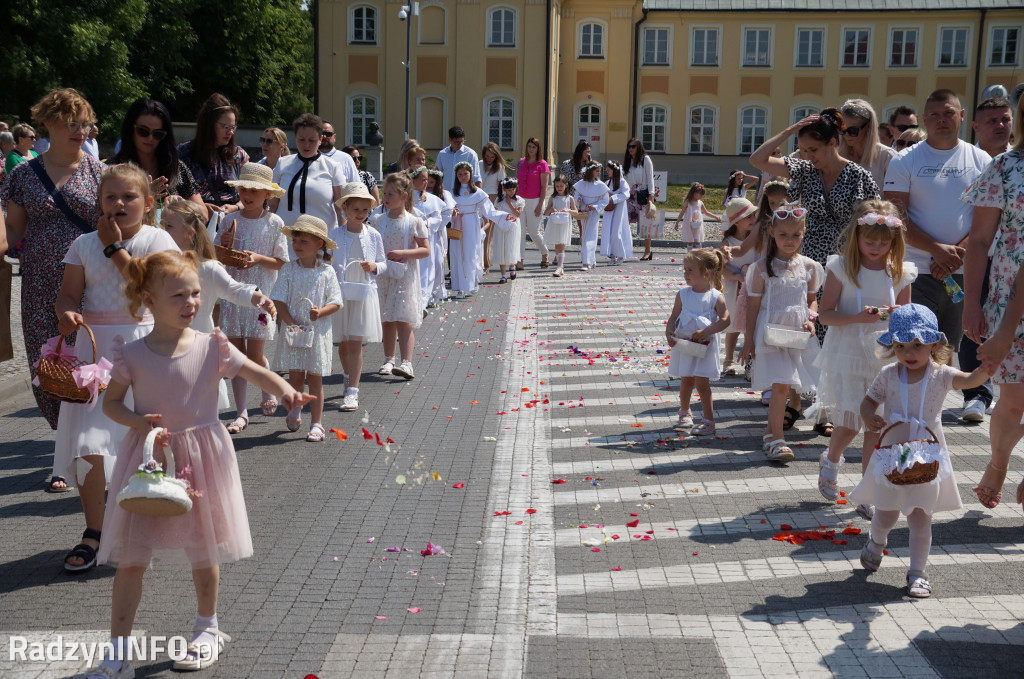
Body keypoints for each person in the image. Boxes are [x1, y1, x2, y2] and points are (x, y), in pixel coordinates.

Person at [84, 251, 313, 679]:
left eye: (195, 293)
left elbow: (256, 372)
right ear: (148, 300)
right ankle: (117, 650)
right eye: (178, 295)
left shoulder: (213, 346)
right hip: (151, 459)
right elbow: (112, 405)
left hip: (203, 457)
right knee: (132, 558)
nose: (191, 302)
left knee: (203, 548)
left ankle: (207, 628)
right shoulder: (131, 353)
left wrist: (286, 392)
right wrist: (139, 421)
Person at [54, 163, 179, 572]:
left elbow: (152, 290)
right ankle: (95, 530)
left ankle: (143, 524)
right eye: (111, 197)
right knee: (90, 445)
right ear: (99, 202)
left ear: (148, 203)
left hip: (145, 349)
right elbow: (68, 295)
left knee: (144, 441)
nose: (120, 204)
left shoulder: (158, 239)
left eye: (129, 197)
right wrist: (68, 313)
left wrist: (114, 247)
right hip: (97, 357)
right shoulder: (83, 243)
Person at [849, 304, 993, 599]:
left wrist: (983, 371)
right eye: (901, 346)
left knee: (920, 517)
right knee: (886, 513)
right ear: (893, 347)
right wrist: (868, 416)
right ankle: (876, 542)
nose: (909, 353)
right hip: (893, 453)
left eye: (917, 345)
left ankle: (917, 573)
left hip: (926, 456)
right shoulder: (889, 374)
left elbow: (967, 381)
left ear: (934, 344)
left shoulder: (940, 374)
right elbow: (868, 402)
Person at [1, 88, 105, 455]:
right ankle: (65, 439)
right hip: (38, 284)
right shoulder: (23, 175)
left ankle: (75, 449)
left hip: (89, 283)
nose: (80, 131)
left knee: (85, 361)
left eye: (84, 124)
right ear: (47, 123)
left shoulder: (100, 174)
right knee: (45, 363)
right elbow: (12, 229)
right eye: (69, 124)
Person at [884, 89, 992, 424]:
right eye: (934, 115)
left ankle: (975, 398)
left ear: (961, 117)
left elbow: (987, 216)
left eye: (949, 114)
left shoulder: (982, 161)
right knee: (919, 342)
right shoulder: (906, 159)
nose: (942, 121)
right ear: (925, 119)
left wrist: (956, 253)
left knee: (967, 337)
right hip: (918, 269)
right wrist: (936, 250)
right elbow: (895, 214)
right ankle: (917, 406)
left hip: (966, 269)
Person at [815, 200, 916, 519]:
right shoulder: (841, 269)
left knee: (877, 424)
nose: (876, 247)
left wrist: (900, 318)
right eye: (869, 241)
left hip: (884, 355)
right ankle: (831, 460)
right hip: (849, 352)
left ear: (894, 241)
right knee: (849, 421)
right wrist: (857, 317)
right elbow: (825, 315)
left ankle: (867, 490)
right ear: (856, 237)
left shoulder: (899, 272)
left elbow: (906, 317)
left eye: (883, 242)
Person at [961, 94, 1024, 508]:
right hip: (1008, 298)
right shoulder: (1005, 168)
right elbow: (980, 241)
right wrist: (971, 303)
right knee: (1015, 397)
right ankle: (999, 465)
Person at [159, 200, 274, 410]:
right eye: (161, 224)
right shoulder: (159, 264)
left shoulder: (208, 267)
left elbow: (234, 289)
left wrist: (257, 295)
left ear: (189, 233)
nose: (162, 230)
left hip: (199, 338)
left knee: (200, 400)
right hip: (165, 338)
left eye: (168, 226)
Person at [738, 203, 822, 463]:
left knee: (790, 383)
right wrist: (748, 340)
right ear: (772, 232)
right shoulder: (761, 268)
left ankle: (769, 432)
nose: (790, 240)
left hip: (797, 333)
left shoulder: (809, 267)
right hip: (770, 332)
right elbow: (752, 306)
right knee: (781, 384)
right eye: (784, 234)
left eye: (795, 235)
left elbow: (812, 300)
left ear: (804, 233)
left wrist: (811, 319)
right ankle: (776, 438)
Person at [217, 163, 289, 434]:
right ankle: (241, 412)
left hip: (260, 297)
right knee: (236, 356)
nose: (248, 194)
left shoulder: (275, 224)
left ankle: (267, 388)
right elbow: (218, 255)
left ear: (267, 195)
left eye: (255, 190)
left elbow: (281, 262)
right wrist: (224, 244)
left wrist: (258, 258)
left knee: (255, 355)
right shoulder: (228, 220)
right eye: (244, 188)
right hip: (234, 295)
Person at [271, 215, 342, 442]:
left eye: (304, 242)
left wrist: (320, 313)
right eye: (295, 241)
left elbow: (336, 301)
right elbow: (278, 299)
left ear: (319, 244)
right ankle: (296, 408)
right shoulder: (289, 269)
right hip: (294, 332)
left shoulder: (326, 272)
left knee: (315, 378)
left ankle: (317, 423)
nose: (298, 246)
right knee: (295, 375)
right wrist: (290, 323)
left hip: (318, 333)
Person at [330, 183, 385, 413]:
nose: (360, 214)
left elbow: (382, 262)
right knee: (342, 343)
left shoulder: (373, 235)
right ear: (345, 209)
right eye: (356, 209)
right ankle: (347, 374)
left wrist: (374, 266)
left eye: (365, 210)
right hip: (341, 292)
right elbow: (326, 259)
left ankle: (353, 391)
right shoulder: (335, 234)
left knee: (355, 343)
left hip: (362, 292)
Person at [372, 172, 430, 379]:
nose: (386, 198)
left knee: (403, 320)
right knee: (387, 319)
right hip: (384, 275)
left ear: (404, 196)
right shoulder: (378, 220)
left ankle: (407, 363)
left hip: (404, 276)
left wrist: (404, 253)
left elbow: (425, 250)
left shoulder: (414, 221)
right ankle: (388, 359)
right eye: (385, 193)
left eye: (391, 194)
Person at [666, 248, 730, 435]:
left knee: (702, 383)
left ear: (706, 273)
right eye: (685, 269)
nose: (685, 274)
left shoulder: (715, 296)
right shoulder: (683, 294)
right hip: (686, 343)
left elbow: (726, 320)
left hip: (705, 346)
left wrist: (707, 331)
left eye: (690, 270)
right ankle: (684, 412)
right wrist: (669, 331)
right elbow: (673, 316)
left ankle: (708, 420)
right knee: (686, 379)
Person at [112, 98, 205, 216]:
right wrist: (144, 197)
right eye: (143, 131)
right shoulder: (114, 170)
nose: (150, 138)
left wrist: (181, 206)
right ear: (130, 129)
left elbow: (204, 214)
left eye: (157, 134)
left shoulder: (176, 167)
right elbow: (107, 215)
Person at [272, 114, 346, 242]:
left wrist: (344, 238)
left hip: (321, 240)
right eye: (301, 139)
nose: (306, 145)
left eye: (311, 140)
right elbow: (272, 204)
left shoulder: (333, 167)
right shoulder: (282, 164)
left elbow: (340, 208)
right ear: (295, 138)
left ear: (320, 139)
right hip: (285, 240)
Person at [177, 93, 249, 215]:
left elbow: (252, 194)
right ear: (208, 125)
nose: (230, 132)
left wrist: (236, 207)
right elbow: (174, 195)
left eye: (233, 127)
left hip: (231, 224)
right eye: (225, 127)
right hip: (196, 223)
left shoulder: (239, 155)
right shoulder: (183, 154)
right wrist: (201, 208)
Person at [448, 162, 506, 298]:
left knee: (471, 254)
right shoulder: (452, 193)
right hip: (457, 224)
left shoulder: (478, 193)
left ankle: (473, 283)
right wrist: (452, 212)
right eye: (460, 174)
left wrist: (504, 216)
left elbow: (489, 211)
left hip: (472, 224)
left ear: (471, 175)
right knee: (457, 254)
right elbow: (446, 210)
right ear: (456, 176)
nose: (463, 176)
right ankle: (459, 288)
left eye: (465, 174)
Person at [719, 197, 759, 376]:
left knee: (753, 325)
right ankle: (728, 360)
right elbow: (723, 268)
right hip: (736, 288)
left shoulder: (757, 238)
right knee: (735, 324)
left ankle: (751, 363)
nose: (752, 219)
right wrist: (740, 276)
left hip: (756, 287)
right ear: (736, 221)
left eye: (753, 215)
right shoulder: (728, 242)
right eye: (748, 217)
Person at [408, 165, 447, 310]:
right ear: (413, 181)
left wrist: (425, 223)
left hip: (426, 237)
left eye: (427, 180)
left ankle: (424, 300)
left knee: (427, 269)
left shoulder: (431, 199)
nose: (426, 183)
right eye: (423, 180)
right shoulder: (406, 196)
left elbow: (437, 217)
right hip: (410, 238)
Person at [839, 99, 897, 189]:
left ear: (868, 126)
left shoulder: (887, 156)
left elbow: (895, 197)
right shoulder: (838, 155)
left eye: (853, 131)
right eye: (843, 130)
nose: (846, 135)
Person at [514, 137, 551, 269]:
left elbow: (544, 187)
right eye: (529, 146)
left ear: (538, 149)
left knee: (534, 231)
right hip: (520, 200)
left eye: (533, 147)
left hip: (535, 200)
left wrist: (541, 204)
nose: (531, 149)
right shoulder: (521, 162)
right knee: (520, 230)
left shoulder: (542, 164)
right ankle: (520, 260)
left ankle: (545, 253)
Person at [573, 162, 610, 272]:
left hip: (593, 213)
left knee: (590, 236)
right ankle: (591, 259)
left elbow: (605, 200)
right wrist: (578, 199)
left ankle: (586, 262)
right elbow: (577, 195)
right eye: (597, 170)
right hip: (583, 211)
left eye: (599, 170)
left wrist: (596, 206)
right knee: (585, 235)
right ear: (590, 171)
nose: (599, 173)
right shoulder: (582, 184)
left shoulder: (600, 185)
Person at [424, 168, 453, 305]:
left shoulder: (444, 194)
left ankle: (436, 293)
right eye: (427, 181)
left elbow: (447, 214)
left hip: (437, 233)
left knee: (438, 262)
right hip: (423, 233)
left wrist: (434, 226)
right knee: (426, 263)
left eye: (432, 182)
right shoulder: (420, 194)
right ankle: (426, 295)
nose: (429, 184)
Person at [624, 138, 656, 260]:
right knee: (626, 221)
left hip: (643, 193)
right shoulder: (628, 161)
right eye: (629, 146)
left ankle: (648, 251)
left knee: (646, 222)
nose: (631, 149)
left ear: (638, 147)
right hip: (630, 193)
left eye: (633, 146)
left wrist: (651, 195)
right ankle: (624, 249)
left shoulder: (645, 159)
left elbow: (650, 177)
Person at [478, 142, 506, 272]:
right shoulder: (479, 164)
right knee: (479, 230)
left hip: (493, 198)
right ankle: (481, 260)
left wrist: (499, 203)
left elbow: (502, 187)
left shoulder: (499, 167)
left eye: (492, 157)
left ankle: (486, 262)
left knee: (488, 232)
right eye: (487, 156)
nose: (489, 159)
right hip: (479, 198)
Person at [544, 174, 579, 278]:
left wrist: (568, 210)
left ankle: (560, 266)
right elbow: (546, 212)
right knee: (557, 244)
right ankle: (560, 265)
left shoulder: (569, 198)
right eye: (557, 186)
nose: (559, 188)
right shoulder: (553, 198)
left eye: (561, 186)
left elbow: (576, 212)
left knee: (561, 244)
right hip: (555, 222)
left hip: (564, 223)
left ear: (566, 185)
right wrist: (551, 210)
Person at [600, 161, 632, 265]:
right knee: (608, 232)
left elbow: (626, 194)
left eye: (609, 170)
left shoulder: (622, 182)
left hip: (619, 210)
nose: (607, 172)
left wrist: (613, 198)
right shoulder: (607, 183)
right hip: (609, 211)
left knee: (616, 232)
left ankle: (621, 255)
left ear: (615, 170)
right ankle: (612, 256)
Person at [492, 177, 524, 283]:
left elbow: (518, 214)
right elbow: (494, 213)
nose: (511, 192)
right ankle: (503, 275)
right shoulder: (499, 200)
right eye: (509, 190)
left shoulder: (518, 200)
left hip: (513, 225)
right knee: (501, 247)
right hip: (501, 225)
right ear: (504, 189)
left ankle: (512, 266)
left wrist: (510, 203)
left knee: (511, 246)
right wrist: (502, 217)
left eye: (513, 189)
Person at [675, 183, 721, 250]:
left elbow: (706, 212)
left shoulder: (700, 203)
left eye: (702, 194)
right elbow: (682, 212)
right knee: (690, 241)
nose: (701, 196)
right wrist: (677, 222)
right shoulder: (688, 202)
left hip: (697, 224)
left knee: (697, 240)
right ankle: (690, 256)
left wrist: (716, 217)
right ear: (693, 192)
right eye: (699, 193)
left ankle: (699, 255)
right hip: (689, 223)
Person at [435, 127, 481, 192]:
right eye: (456, 142)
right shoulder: (442, 154)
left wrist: (479, 195)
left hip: (464, 193)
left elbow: (476, 177)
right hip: (446, 192)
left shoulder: (470, 154)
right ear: (449, 139)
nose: (459, 144)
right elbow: (437, 175)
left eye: (462, 141)